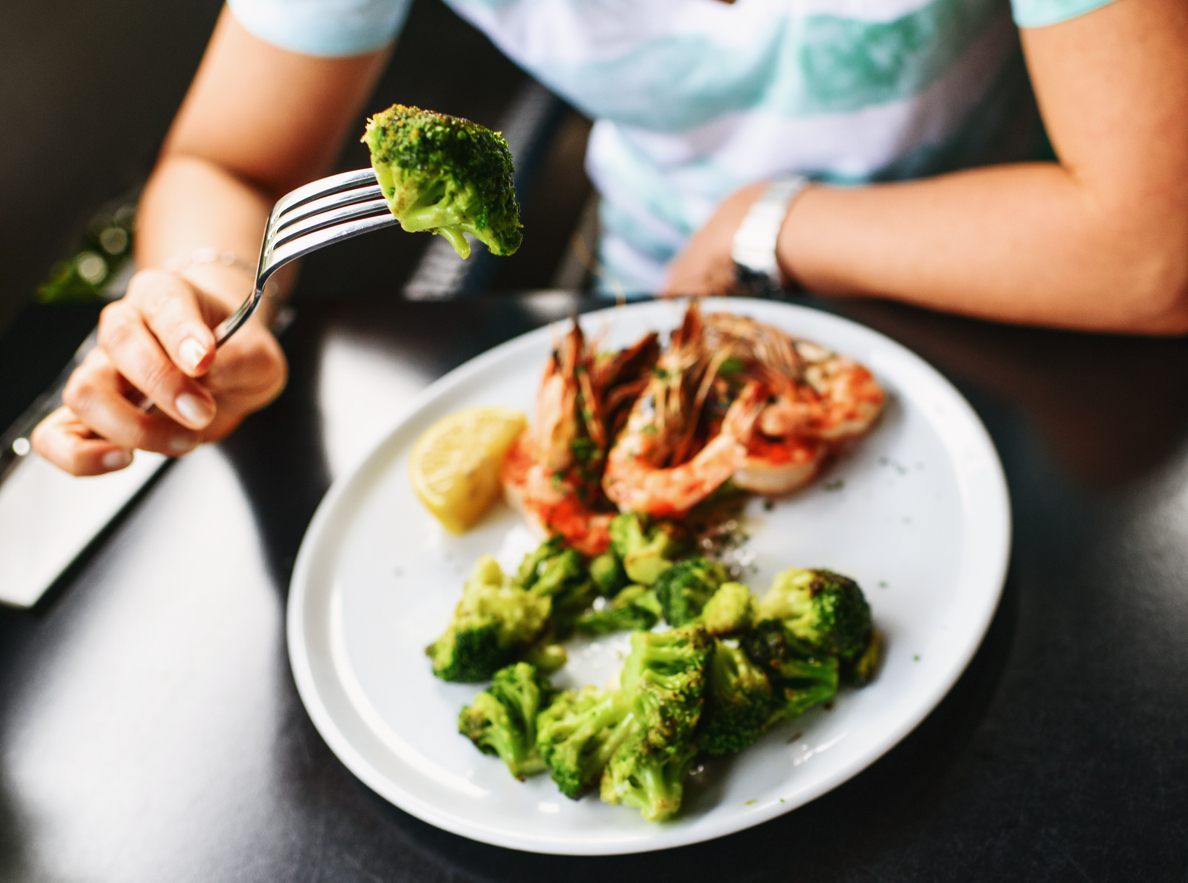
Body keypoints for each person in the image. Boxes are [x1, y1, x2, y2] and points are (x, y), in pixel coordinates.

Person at [32, 0, 1188, 477]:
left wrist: (771, 221)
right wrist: (206, 297)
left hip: (1019, 316)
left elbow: (1156, 247)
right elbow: (230, 165)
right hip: (644, 303)